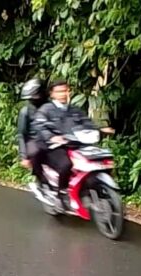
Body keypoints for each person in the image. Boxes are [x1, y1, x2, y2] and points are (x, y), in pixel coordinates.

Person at [32, 79, 109, 208]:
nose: (63, 94)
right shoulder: (45, 110)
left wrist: (100, 129)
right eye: (59, 91)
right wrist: (52, 137)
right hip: (55, 147)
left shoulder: (75, 110)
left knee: (97, 161)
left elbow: (87, 123)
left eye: (65, 90)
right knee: (66, 164)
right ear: (52, 94)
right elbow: (39, 126)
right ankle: (61, 193)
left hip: (77, 145)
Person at [16, 78, 47, 186]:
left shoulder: (51, 107)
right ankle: (41, 181)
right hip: (34, 141)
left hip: (51, 139)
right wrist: (23, 156)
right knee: (36, 151)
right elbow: (21, 134)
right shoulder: (26, 112)